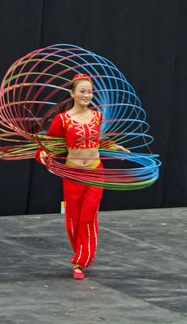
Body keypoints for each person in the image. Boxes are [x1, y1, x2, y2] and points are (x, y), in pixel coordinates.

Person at [36, 73, 128, 279]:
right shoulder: (63, 119)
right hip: (73, 174)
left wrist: (115, 147)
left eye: (90, 91)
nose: (88, 95)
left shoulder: (97, 116)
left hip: (96, 170)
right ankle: (78, 253)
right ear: (72, 94)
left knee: (88, 216)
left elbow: (97, 141)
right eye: (83, 91)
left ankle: (80, 261)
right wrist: (42, 154)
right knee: (74, 218)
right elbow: (50, 145)